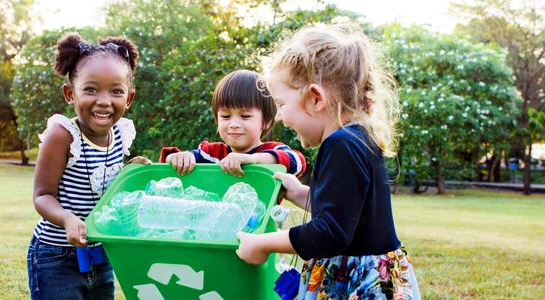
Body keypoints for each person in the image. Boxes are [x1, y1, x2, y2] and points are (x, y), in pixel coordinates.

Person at [236, 25, 421, 299]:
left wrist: (263, 244)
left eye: (282, 105)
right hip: (373, 275)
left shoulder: (340, 145)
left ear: (316, 99)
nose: (279, 118)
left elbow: (331, 233)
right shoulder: (358, 138)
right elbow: (347, 213)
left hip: (355, 284)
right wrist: (299, 193)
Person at [27, 32, 150, 299]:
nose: (104, 101)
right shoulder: (62, 135)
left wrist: (130, 171)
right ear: (70, 93)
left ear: (128, 98)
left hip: (100, 252)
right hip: (57, 257)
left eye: (116, 91)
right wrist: (67, 219)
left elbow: (105, 184)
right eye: (91, 89)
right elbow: (42, 195)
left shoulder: (121, 133)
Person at [159, 69, 306, 179]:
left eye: (245, 116)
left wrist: (252, 159)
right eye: (226, 116)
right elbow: (171, 162)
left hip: (262, 220)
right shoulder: (211, 154)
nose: (234, 124)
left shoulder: (273, 150)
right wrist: (178, 158)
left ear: (266, 122)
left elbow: (298, 162)